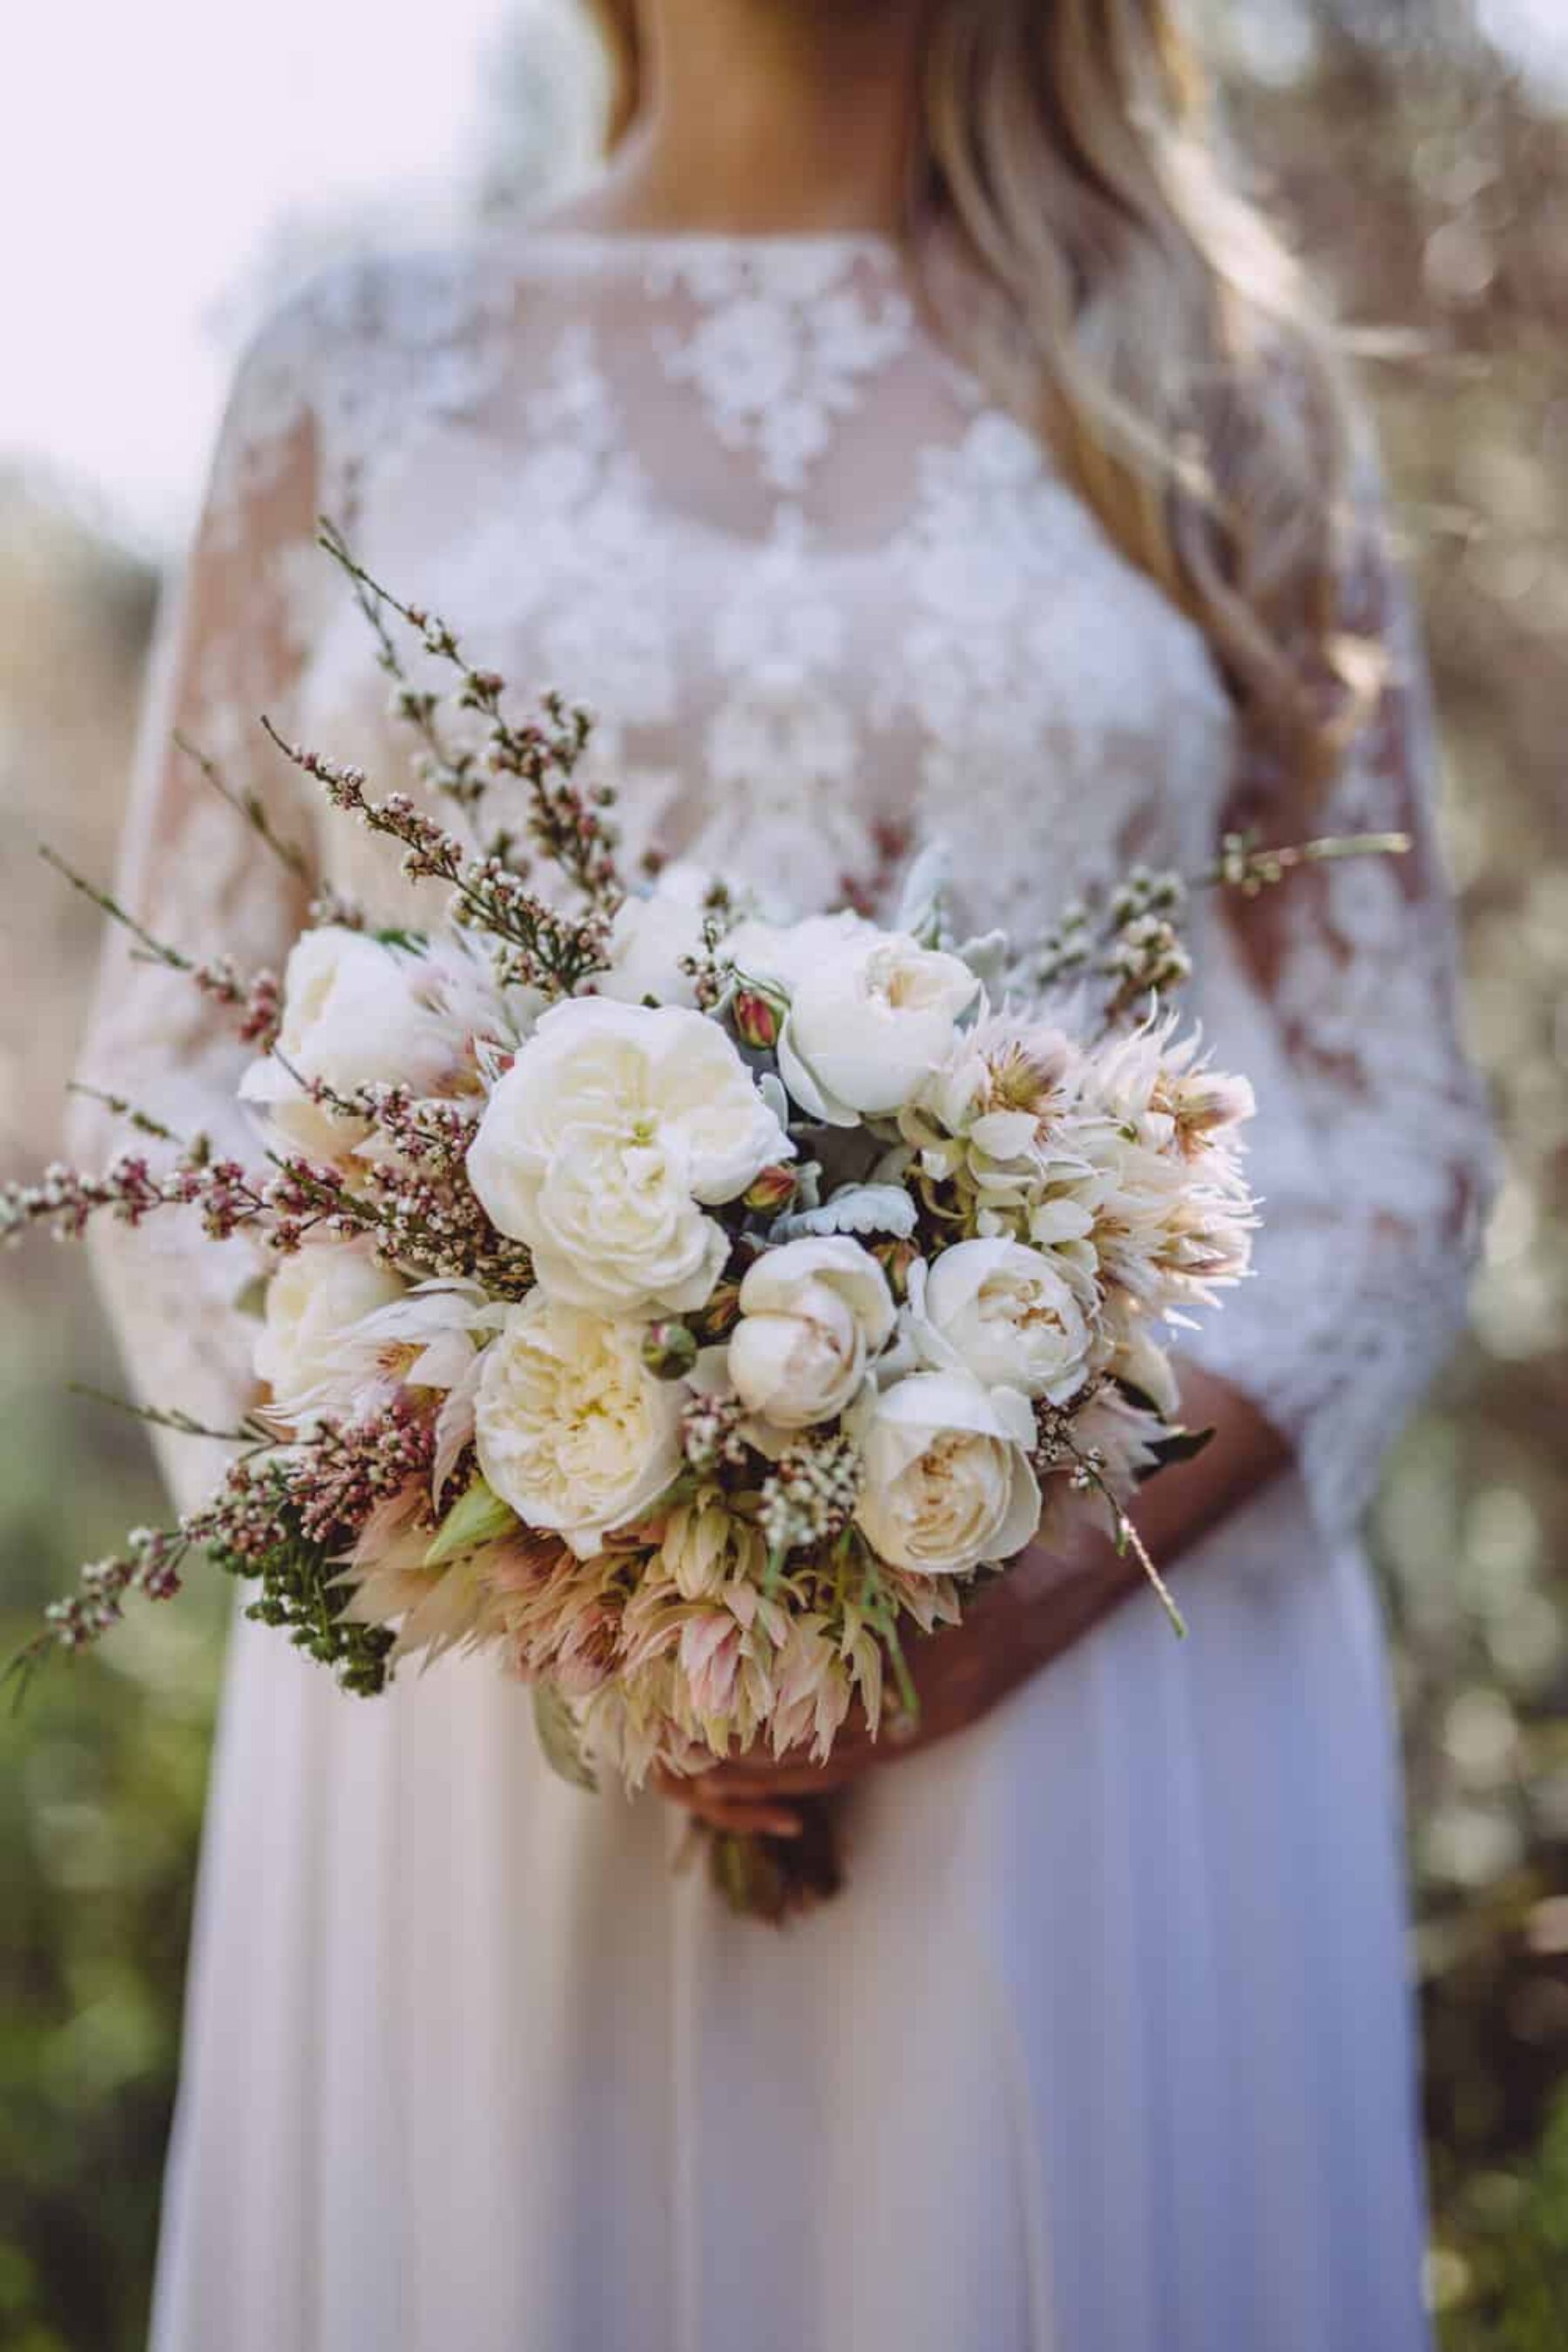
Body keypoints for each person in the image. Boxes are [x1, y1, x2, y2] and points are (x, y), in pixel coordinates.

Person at [76, 3, 1496, 2345]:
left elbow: (1394, 1130)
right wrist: (558, 1579)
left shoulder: (1212, 381)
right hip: (485, 1751)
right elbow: (163, 1097)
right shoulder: (357, 365)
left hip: (1078, 1718)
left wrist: (1000, 1601)